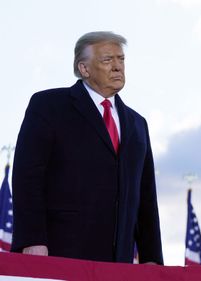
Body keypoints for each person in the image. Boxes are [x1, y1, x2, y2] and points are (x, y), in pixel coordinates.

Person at [11, 31, 163, 264]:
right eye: (107, 60)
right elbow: (27, 177)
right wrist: (32, 239)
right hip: (59, 254)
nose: (117, 67)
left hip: (118, 262)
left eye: (121, 59)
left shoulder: (137, 124)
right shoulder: (48, 106)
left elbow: (145, 197)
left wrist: (151, 258)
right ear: (84, 69)